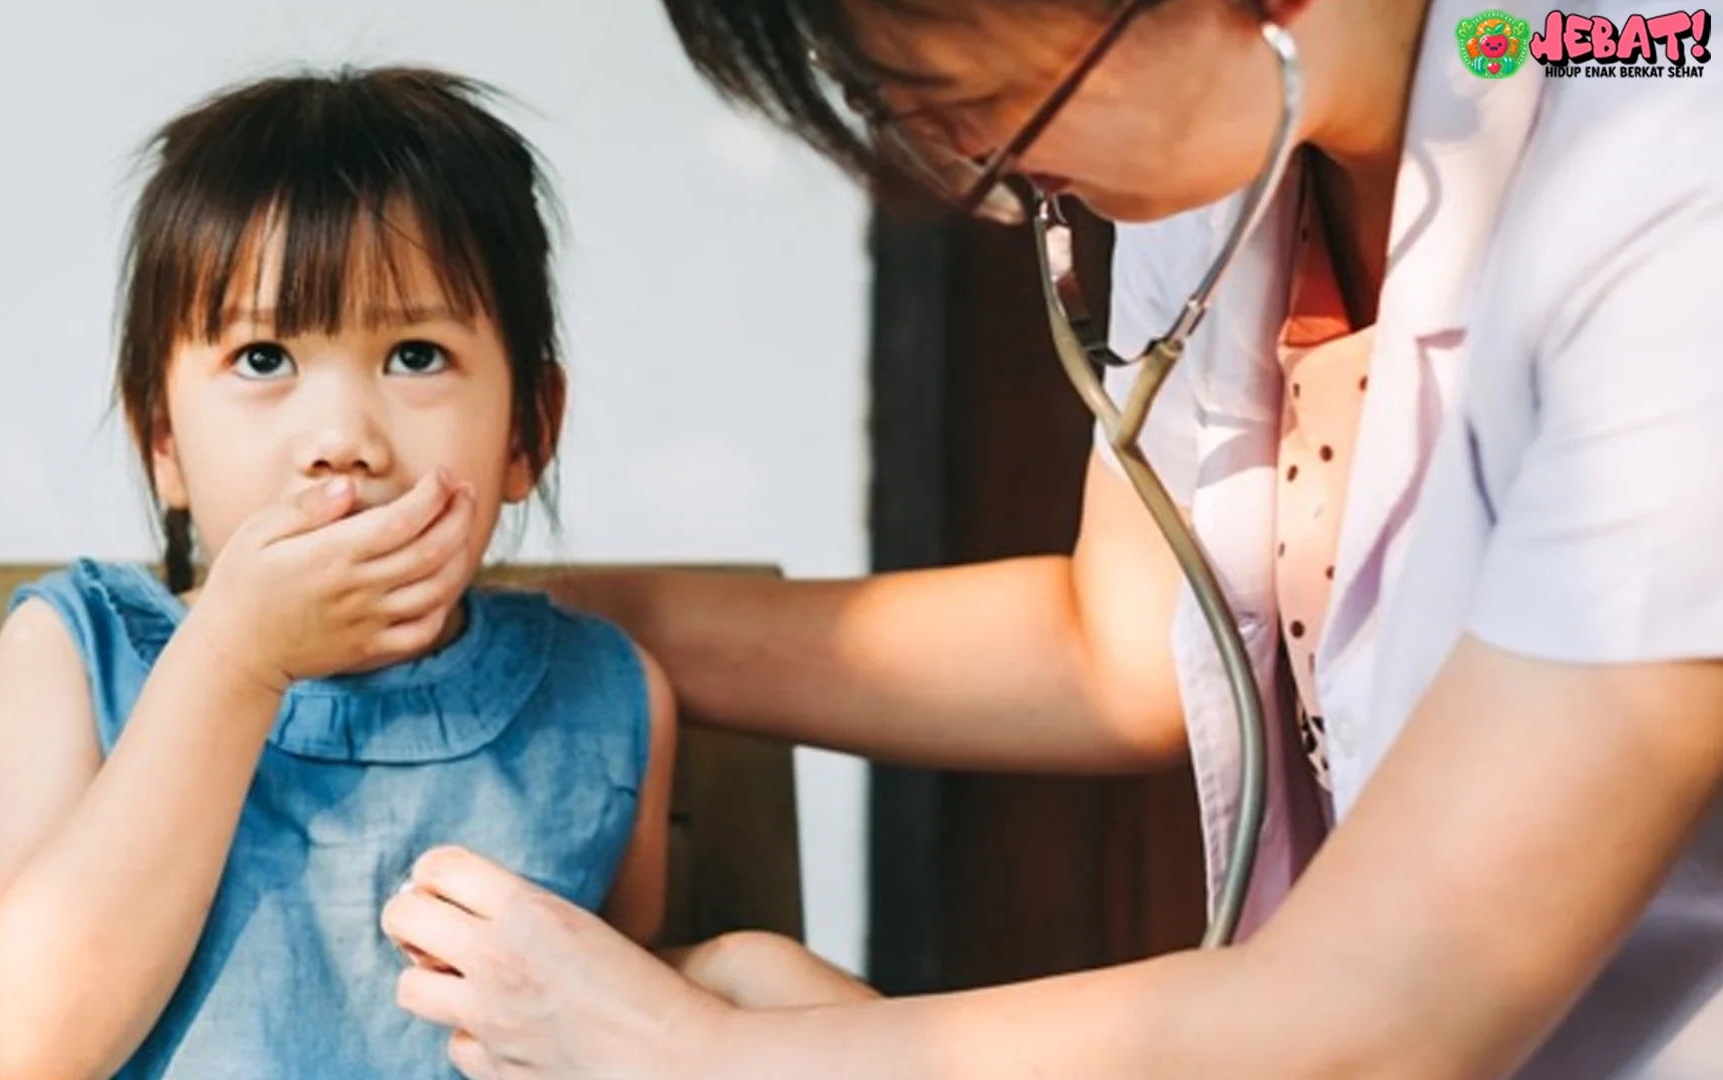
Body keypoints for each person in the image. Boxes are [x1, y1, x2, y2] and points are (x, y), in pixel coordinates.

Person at [378, 0, 1723, 1076]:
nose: (983, 176)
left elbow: (1389, 1011)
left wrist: (702, 1055)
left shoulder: (1673, 189)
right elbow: (1123, 644)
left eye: (982, 110)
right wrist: (541, 618)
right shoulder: (1233, 154)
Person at [0, 66, 678, 1080]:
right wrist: (236, 659)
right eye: (262, 360)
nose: (341, 441)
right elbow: (37, 1043)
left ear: (527, 432)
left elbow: (618, 1031)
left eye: (416, 355)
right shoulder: (78, 652)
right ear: (164, 439)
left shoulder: (604, 695)